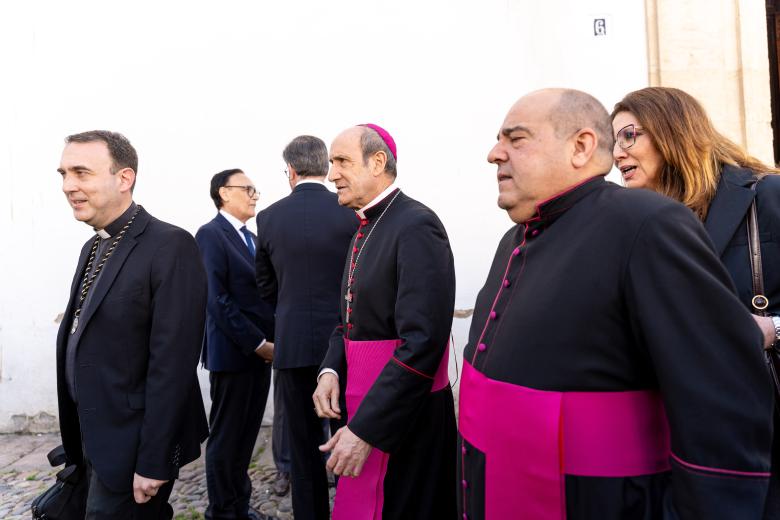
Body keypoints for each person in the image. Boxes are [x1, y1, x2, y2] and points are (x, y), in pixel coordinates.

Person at [458, 89, 773, 519]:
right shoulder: (514, 240)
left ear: (581, 146)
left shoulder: (648, 224)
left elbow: (720, 405)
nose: (495, 154)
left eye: (516, 139)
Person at [611, 85, 780, 519]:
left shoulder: (768, 196)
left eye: (629, 134)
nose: (617, 152)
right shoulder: (645, 224)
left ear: (673, 131)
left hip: (766, 434)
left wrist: (774, 328)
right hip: (692, 448)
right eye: (614, 139)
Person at [55, 130, 208, 519]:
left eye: (81, 173)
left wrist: (155, 460)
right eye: (63, 174)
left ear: (124, 178)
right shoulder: (93, 245)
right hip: (94, 437)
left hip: (133, 444)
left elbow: (172, 366)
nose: (69, 185)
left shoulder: (170, 245)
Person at [312, 124, 456, 519]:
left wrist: (367, 428)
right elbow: (348, 319)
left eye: (341, 161)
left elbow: (423, 340)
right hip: (363, 400)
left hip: (405, 417)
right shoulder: (365, 227)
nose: (331, 174)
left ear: (377, 162)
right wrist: (330, 369)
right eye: (331, 163)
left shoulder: (415, 225)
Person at [254, 135, 357, 519]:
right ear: (326, 167)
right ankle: (351, 507)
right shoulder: (350, 210)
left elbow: (264, 284)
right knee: (351, 435)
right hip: (346, 343)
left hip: (293, 343)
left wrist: (289, 310)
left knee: (302, 446)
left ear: (291, 171)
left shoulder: (269, 217)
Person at [195, 169, 275, 520]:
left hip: (261, 356)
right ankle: (223, 510)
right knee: (227, 438)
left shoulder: (253, 239)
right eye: (248, 189)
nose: (255, 195)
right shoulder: (211, 235)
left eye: (255, 189)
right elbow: (217, 299)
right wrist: (257, 342)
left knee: (246, 437)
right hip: (233, 355)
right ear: (223, 193)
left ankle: (239, 506)